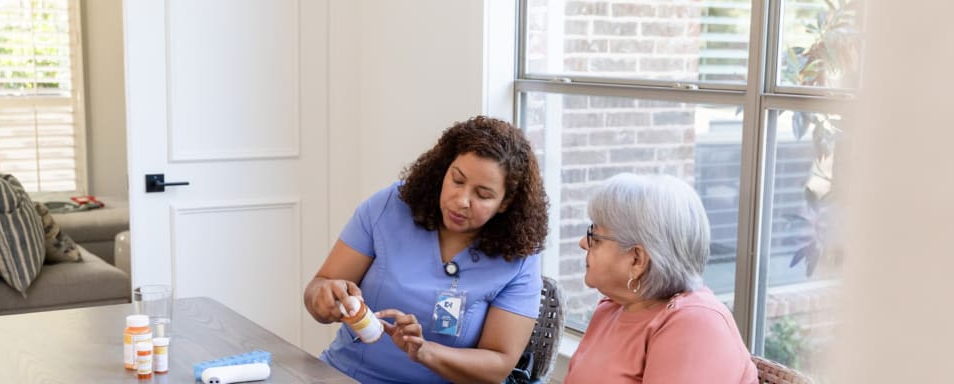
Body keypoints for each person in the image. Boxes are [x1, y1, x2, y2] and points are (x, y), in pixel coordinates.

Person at [304, 116, 549, 383]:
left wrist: (424, 352)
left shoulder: (518, 257)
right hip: (345, 374)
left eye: (483, 194)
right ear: (444, 170)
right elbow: (319, 289)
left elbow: (498, 365)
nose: (462, 200)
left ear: (505, 202)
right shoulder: (390, 207)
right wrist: (324, 297)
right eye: (457, 180)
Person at [564, 173, 757, 384]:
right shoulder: (609, 310)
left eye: (595, 237)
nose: (583, 242)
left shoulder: (695, 324)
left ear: (637, 259)